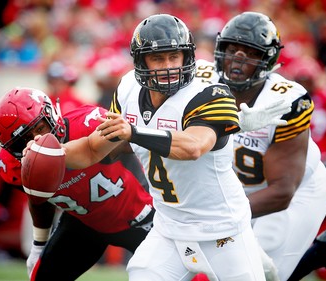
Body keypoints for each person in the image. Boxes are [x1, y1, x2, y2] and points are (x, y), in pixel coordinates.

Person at [76, 13, 290, 281]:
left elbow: (193, 147)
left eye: (174, 57)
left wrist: (133, 132)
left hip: (223, 231)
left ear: (186, 57)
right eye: (157, 58)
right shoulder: (128, 88)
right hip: (169, 229)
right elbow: (96, 149)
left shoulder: (211, 91)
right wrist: (49, 153)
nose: (167, 66)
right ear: (140, 61)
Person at [212, 11, 326, 281]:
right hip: (239, 192)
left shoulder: (286, 102)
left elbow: (282, 191)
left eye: (250, 52)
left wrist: (218, 214)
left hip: (292, 192)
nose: (238, 59)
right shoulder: (201, 83)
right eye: (232, 50)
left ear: (267, 60)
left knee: (259, 274)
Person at [0, 87, 155, 281]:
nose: (36, 140)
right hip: (85, 224)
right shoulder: (12, 165)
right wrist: (39, 243)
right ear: (12, 149)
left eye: (40, 128)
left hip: (140, 217)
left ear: (51, 116)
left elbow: (140, 146)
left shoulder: (88, 124)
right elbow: (39, 198)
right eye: (23, 140)